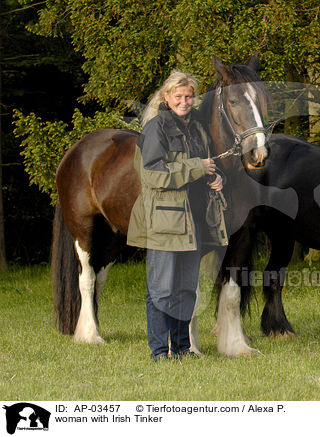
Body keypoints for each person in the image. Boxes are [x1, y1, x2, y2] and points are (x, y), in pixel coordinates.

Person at [127, 70, 223, 361]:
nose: (184, 101)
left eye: (189, 96)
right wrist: (197, 167)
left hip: (193, 220)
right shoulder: (155, 128)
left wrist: (217, 180)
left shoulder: (197, 128)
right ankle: (159, 351)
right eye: (178, 96)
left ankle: (182, 348)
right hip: (165, 221)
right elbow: (153, 174)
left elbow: (206, 167)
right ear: (166, 98)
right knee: (162, 289)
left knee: (185, 289)